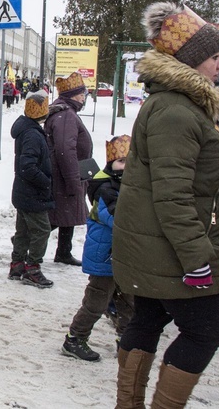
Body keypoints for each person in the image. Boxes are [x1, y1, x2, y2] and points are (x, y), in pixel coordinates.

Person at [112, 3, 219, 408]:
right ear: (194, 59)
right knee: (207, 329)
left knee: (146, 320)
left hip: (159, 248)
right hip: (173, 252)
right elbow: (172, 194)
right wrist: (197, 258)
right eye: (216, 56)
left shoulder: (182, 104)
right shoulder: (177, 111)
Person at [62, 135, 134, 362]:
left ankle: (127, 342)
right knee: (96, 303)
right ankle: (75, 338)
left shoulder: (131, 187)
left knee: (129, 303)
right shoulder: (106, 189)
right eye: (121, 161)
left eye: (131, 162)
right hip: (104, 257)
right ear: (111, 163)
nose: (126, 166)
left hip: (125, 257)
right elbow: (118, 219)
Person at [45, 71, 93, 266]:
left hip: (68, 171)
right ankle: (28, 238)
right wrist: (73, 179)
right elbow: (66, 149)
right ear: (74, 96)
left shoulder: (66, 112)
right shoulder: (66, 115)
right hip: (65, 174)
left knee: (67, 213)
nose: (84, 99)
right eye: (82, 95)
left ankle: (64, 251)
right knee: (62, 213)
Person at [8, 90, 55, 288]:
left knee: (24, 230)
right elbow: (27, 166)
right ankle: (33, 268)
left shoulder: (26, 130)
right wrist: (45, 181)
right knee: (42, 230)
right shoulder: (33, 135)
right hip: (32, 192)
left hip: (23, 191)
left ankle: (17, 264)